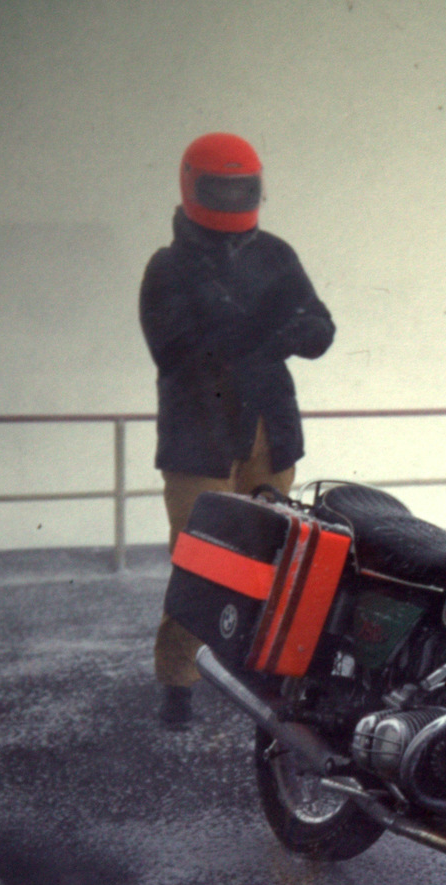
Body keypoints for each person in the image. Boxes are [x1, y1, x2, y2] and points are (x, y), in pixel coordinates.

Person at [139, 132, 335, 727]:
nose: (229, 198)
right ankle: (178, 685)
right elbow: (177, 352)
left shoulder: (275, 254)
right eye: (218, 188)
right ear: (192, 185)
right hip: (199, 438)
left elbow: (320, 328)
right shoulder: (168, 266)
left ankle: (258, 676)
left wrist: (289, 332)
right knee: (200, 561)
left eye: (238, 188)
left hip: (267, 432)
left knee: (273, 560)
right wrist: (271, 330)